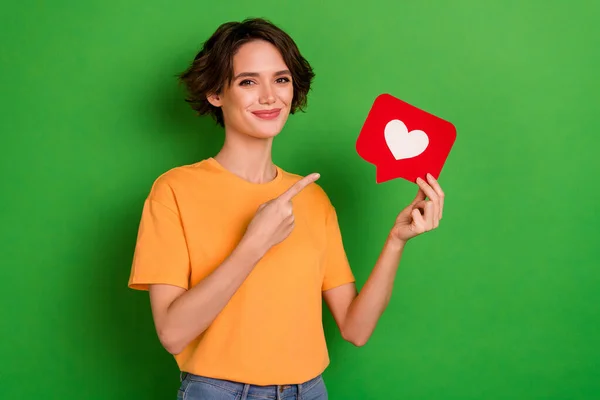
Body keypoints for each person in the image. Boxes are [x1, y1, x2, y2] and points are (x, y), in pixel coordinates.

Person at [128, 17, 445, 400]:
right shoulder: (174, 190)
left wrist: (396, 241)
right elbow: (172, 332)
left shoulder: (312, 198)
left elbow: (355, 329)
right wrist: (254, 243)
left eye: (281, 80)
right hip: (218, 393)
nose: (269, 96)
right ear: (215, 92)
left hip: (308, 391)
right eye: (248, 81)